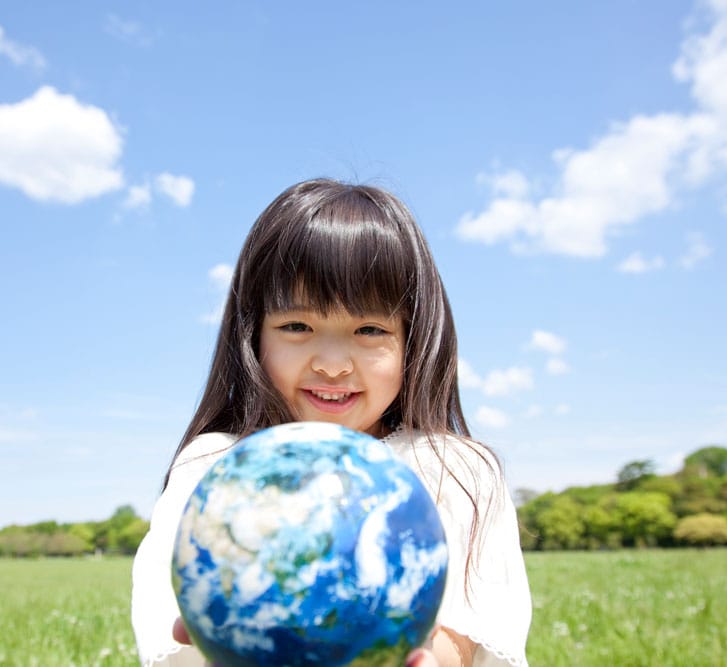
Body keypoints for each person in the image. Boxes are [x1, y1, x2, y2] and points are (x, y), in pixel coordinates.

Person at [132, 179, 532, 667]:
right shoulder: (215, 465)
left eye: (370, 329)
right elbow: (173, 637)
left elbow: (465, 638)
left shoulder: (456, 470)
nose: (333, 363)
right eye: (297, 326)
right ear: (252, 334)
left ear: (415, 339)